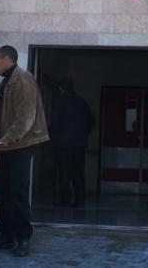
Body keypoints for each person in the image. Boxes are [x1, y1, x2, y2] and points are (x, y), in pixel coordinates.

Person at [0, 45, 49, 258]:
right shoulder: (7, 81)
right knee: (2, 190)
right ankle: (6, 235)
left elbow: (25, 117)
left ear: (7, 59)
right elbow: (2, 118)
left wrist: (7, 139)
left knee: (18, 192)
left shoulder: (23, 80)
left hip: (19, 146)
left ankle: (23, 237)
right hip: (7, 146)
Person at [49, 79, 94, 207]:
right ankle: (80, 200)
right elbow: (91, 119)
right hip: (79, 144)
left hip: (63, 144)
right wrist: (84, 133)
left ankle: (65, 200)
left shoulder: (59, 102)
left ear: (61, 89)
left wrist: (54, 137)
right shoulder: (81, 101)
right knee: (78, 173)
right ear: (73, 87)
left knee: (64, 174)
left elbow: (55, 124)